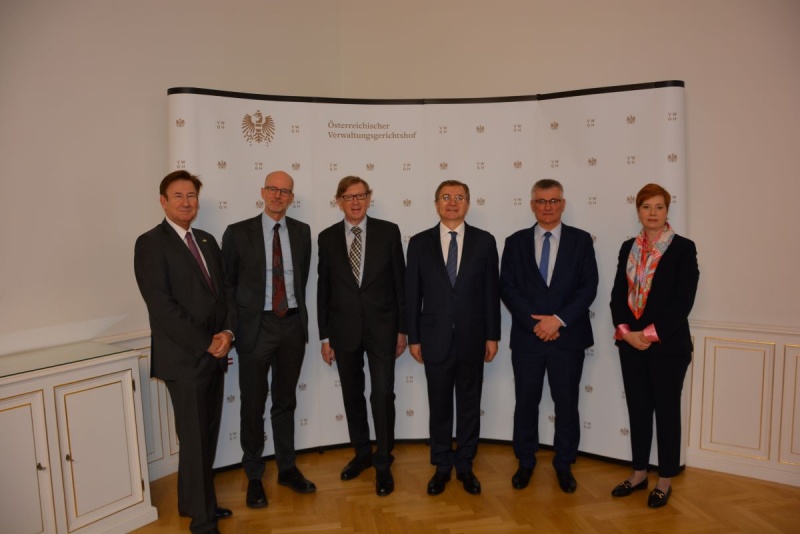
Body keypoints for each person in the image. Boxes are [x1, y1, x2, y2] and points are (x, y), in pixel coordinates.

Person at [134, 170, 234, 534]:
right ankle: (203, 522)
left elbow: (224, 294)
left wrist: (227, 333)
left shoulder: (206, 240)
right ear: (163, 201)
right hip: (184, 359)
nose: (186, 202)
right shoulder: (150, 243)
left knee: (206, 436)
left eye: (191, 195)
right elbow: (162, 307)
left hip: (215, 355)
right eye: (178, 196)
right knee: (194, 440)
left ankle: (194, 502)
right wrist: (206, 341)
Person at [221, 170, 316, 509]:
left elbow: (301, 279)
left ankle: (287, 468)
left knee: (285, 401)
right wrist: (231, 329)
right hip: (255, 328)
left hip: (291, 326)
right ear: (262, 192)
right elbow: (228, 287)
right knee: (252, 403)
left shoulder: (302, 232)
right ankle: (254, 475)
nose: (278, 195)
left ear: (292, 197)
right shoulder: (237, 233)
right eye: (273, 189)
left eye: (285, 191)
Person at [500, 179, 598, 494]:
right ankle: (525, 461)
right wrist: (537, 325)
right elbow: (508, 288)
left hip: (567, 338)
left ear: (563, 204)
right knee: (526, 403)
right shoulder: (515, 242)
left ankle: (564, 464)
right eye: (541, 201)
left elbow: (588, 287)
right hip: (527, 339)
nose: (547, 207)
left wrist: (557, 321)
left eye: (554, 201)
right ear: (532, 205)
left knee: (566, 404)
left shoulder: (581, 241)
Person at [405, 179, 501, 496]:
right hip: (434, 338)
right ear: (436, 204)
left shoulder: (485, 241)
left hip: (474, 338)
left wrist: (492, 336)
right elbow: (412, 294)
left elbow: (491, 292)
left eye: (459, 197)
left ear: (468, 204)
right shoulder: (419, 243)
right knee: (440, 406)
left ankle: (465, 465)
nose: (452, 202)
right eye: (446, 197)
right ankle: (442, 465)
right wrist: (414, 338)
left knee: (470, 405)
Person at [609, 183, 699, 509]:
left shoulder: (683, 248)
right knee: (638, 410)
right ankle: (638, 474)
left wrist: (648, 334)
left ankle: (665, 479)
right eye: (647, 207)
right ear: (638, 211)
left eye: (659, 207)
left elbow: (682, 301)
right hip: (631, 345)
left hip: (668, 348)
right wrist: (626, 332)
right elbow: (618, 295)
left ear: (667, 211)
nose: (653, 213)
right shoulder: (628, 247)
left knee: (667, 413)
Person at [317, 176, 407, 497]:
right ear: (338, 201)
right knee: (352, 395)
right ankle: (362, 453)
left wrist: (402, 329)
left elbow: (400, 283)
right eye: (348, 196)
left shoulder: (389, 232)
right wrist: (324, 336)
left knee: (382, 394)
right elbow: (324, 289)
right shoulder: (327, 238)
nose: (355, 202)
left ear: (369, 198)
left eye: (361, 195)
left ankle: (383, 461)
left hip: (383, 329)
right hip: (343, 331)